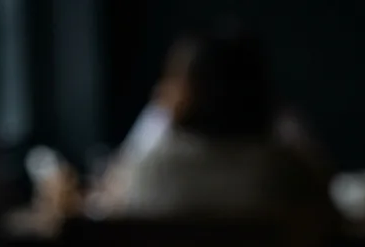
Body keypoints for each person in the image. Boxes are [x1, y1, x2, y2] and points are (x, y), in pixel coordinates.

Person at [91, 27, 331, 223]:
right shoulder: (290, 173)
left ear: (188, 94)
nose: (162, 90)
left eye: (173, 80)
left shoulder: (152, 174)